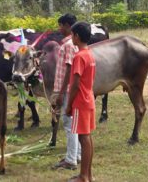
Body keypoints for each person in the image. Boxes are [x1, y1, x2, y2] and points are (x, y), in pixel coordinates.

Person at [66, 22, 97, 182]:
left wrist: (69, 105)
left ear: (76, 36)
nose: (71, 37)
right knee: (87, 138)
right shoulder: (89, 54)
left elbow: (75, 84)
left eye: (72, 34)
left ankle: (83, 176)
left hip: (80, 101)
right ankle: (88, 175)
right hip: (89, 99)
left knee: (83, 138)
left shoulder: (79, 57)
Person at [52, 13, 80, 170]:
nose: (59, 28)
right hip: (70, 89)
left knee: (69, 125)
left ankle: (71, 159)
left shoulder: (69, 45)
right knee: (74, 124)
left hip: (68, 90)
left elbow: (69, 68)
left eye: (61, 25)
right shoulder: (74, 43)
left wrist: (61, 93)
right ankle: (77, 155)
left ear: (68, 26)